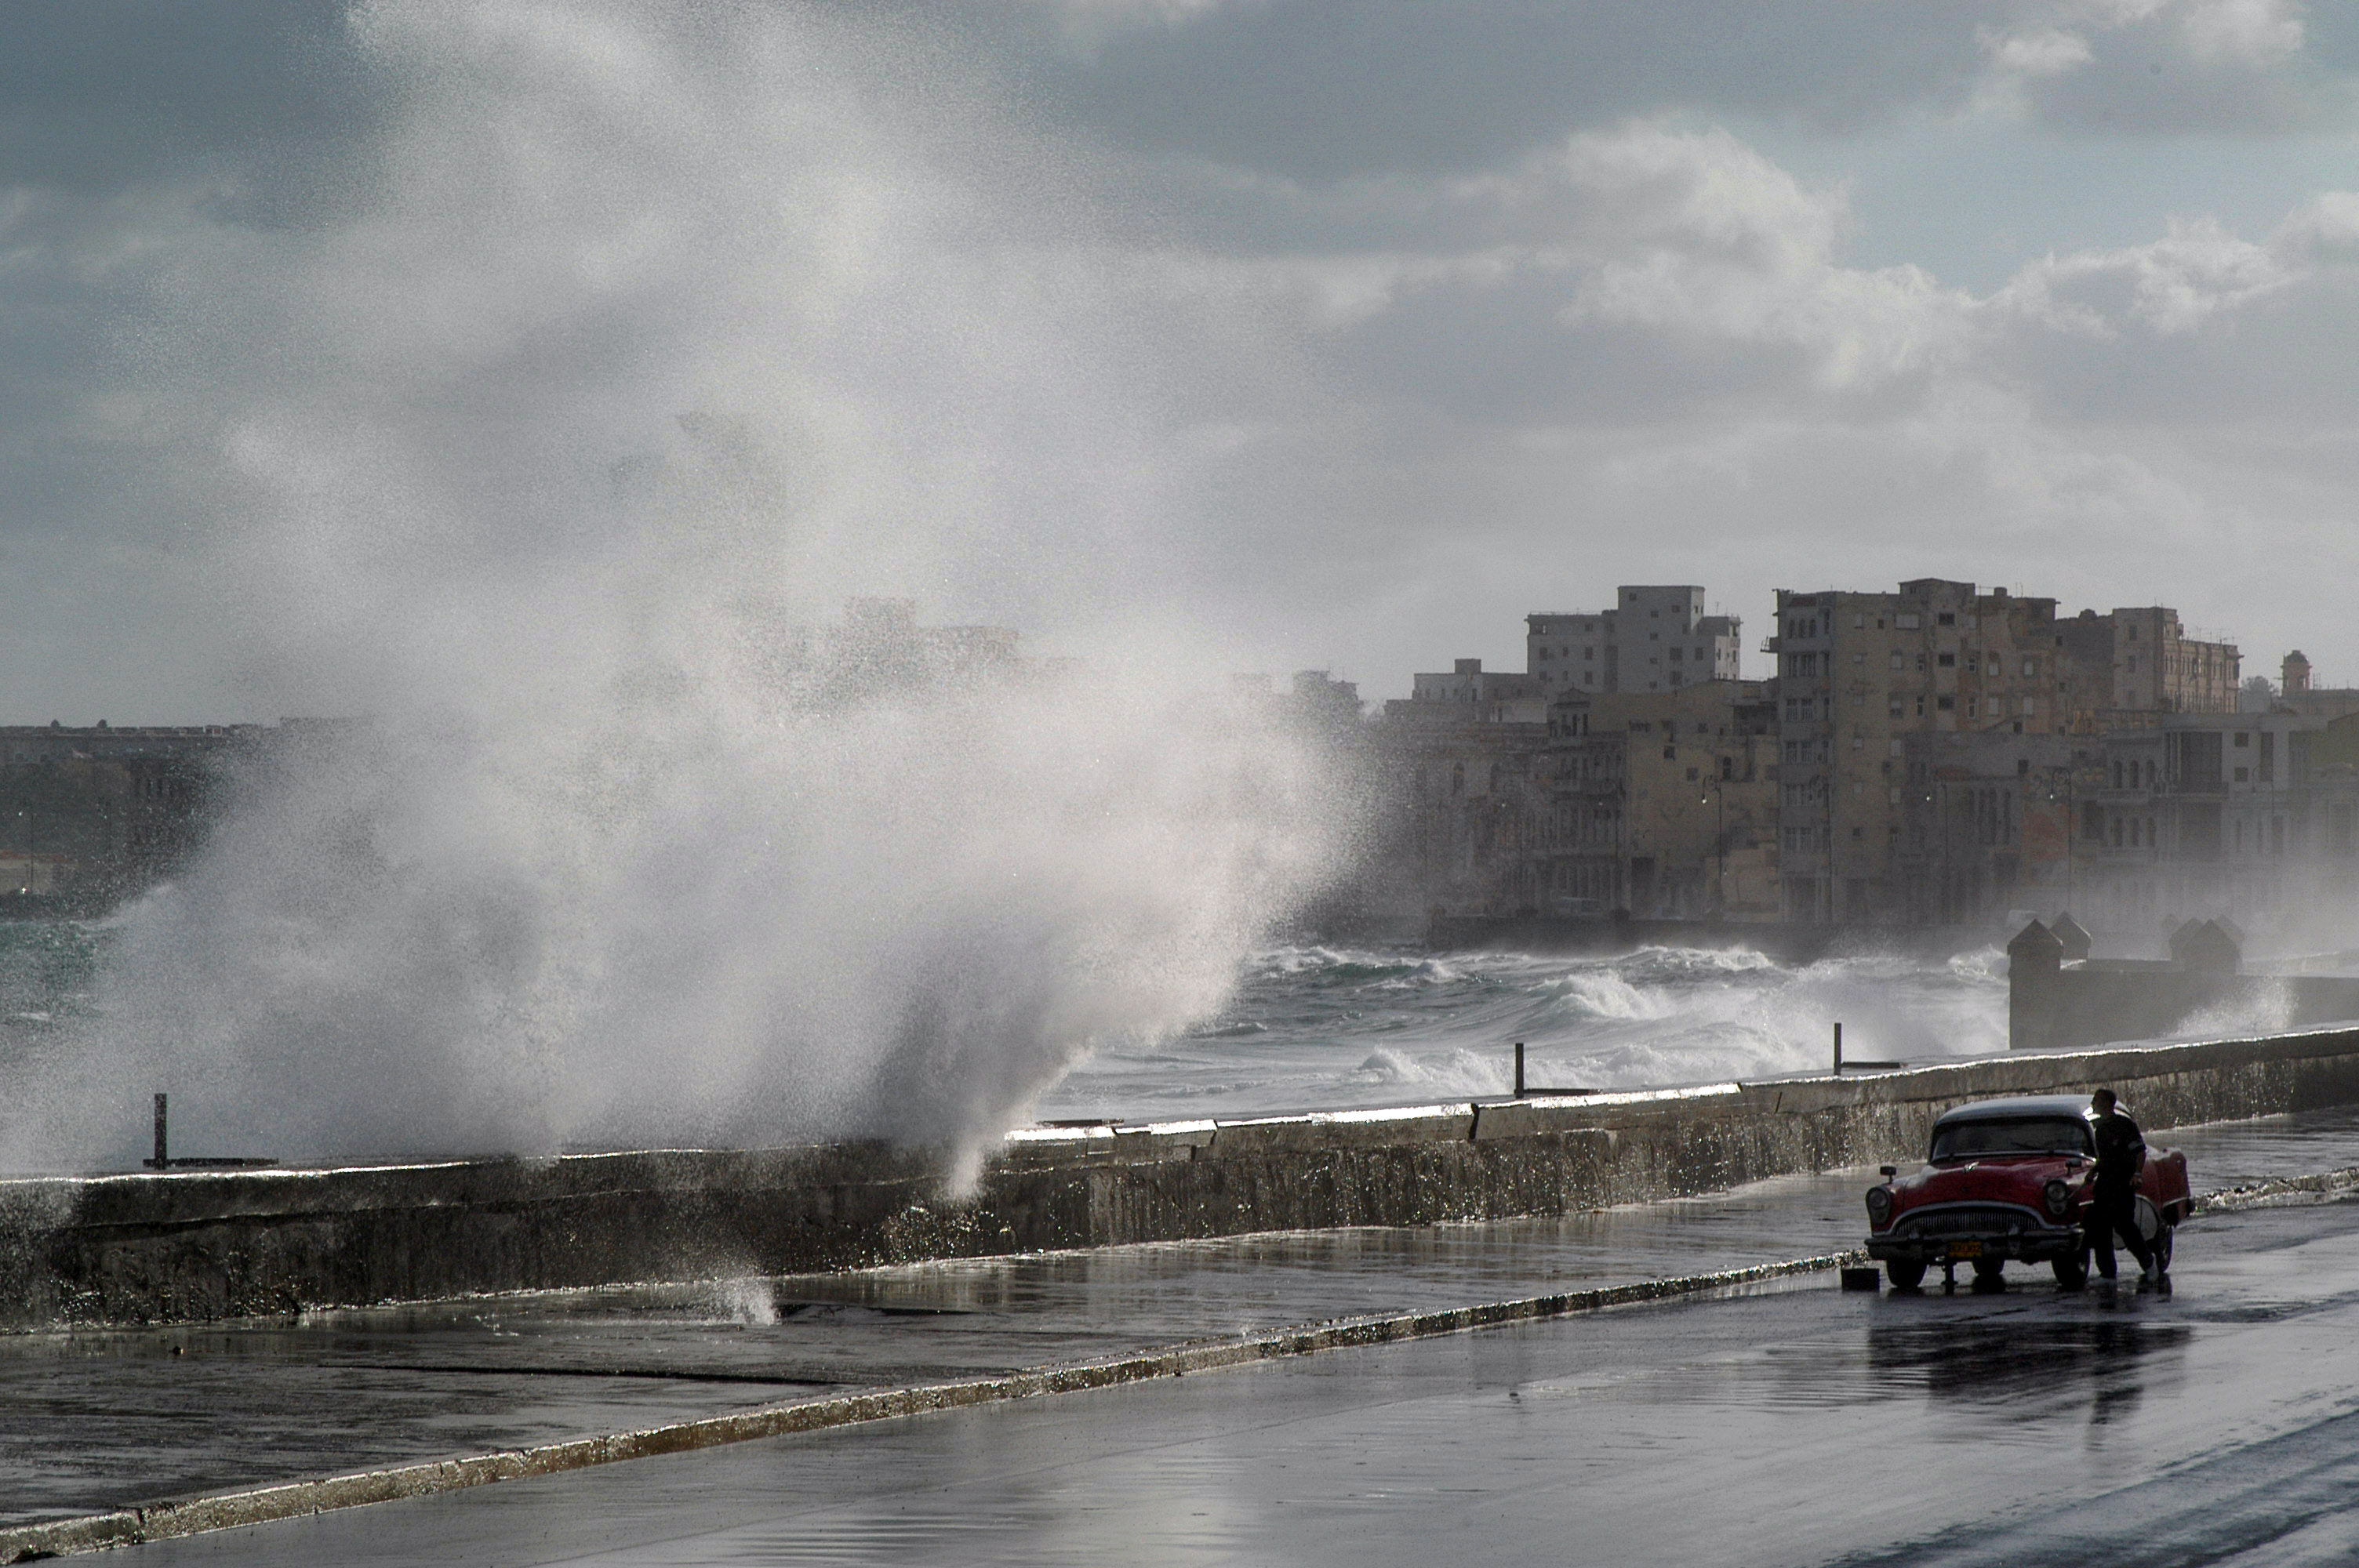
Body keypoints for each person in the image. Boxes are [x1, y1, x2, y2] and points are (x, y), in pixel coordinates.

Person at [2087, 1088, 2159, 1283]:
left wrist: (2137, 1174)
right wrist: (2093, 1171)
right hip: (2104, 1185)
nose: (2093, 1103)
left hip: (2122, 1184)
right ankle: (2108, 1274)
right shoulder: (2100, 1129)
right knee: (2101, 1230)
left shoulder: (2125, 1125)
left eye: (2096, 1100)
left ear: (2106, 1103)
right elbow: (2104, 1159)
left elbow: (2140, 1152)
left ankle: (2148, 1262)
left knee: (2125, 1226)